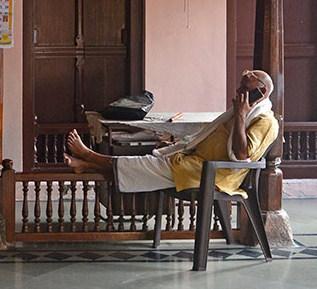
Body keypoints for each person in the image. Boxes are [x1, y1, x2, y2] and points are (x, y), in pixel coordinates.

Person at [65, 69, 278, 196]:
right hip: (196, 164)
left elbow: (242, 155)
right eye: (240, 86)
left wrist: (240, 115)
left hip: (214, 175)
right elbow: (205, 138)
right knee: (145, 163)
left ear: (261, 93)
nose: (239, 92)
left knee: (144, 164)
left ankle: (89, 157)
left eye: (245, 89)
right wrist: (176, 146)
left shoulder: (265, 121)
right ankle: (87, 164)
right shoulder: (240, 112)